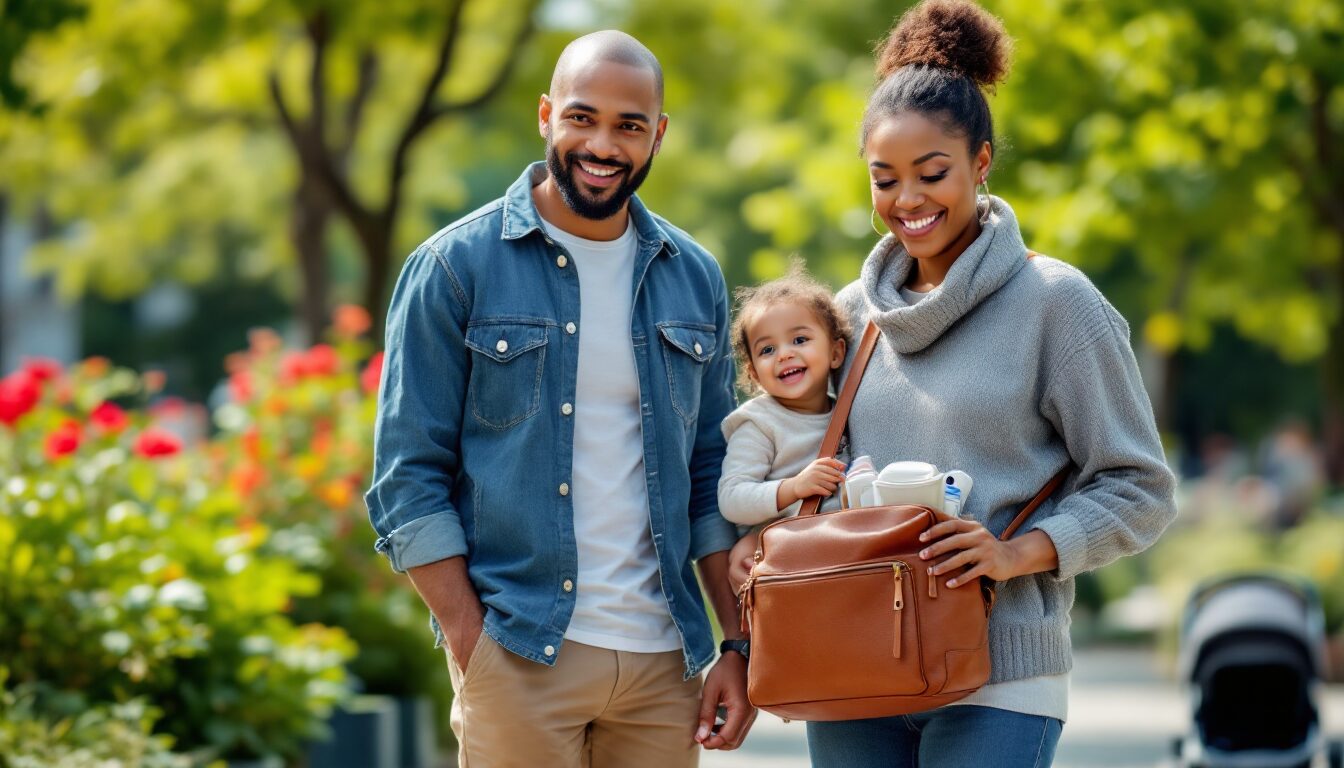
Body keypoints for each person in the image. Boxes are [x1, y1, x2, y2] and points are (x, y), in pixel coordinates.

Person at [365, 30, 755, 767]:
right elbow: (405, 478)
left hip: (663, 662)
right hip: (520, 649)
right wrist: (470, 641)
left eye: (628, 125)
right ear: (546, 115)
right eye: (582, 117)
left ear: (657, 136)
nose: (602, 144)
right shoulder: (455, 267)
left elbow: (712, 475)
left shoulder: (693, 275)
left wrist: (735, 644)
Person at [809, 1, 1179, 766]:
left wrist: (1019, 554)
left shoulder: (1057, 305)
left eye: (932, 173)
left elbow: (1140, 487)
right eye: (884, 179)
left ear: (982, 162)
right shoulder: (849, 319)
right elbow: (797, 465)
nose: (907, 201)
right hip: (853, 667)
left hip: (1000, 675)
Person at [717, 266, 851, 593]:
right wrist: (793, 488)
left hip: (842, 563)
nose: (785, 354)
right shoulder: (759, 424)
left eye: (800, 339)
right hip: (787, 573)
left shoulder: (850, 410)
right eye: (767, 349)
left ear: (836, 353)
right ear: (753, 373)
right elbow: (732, 499)